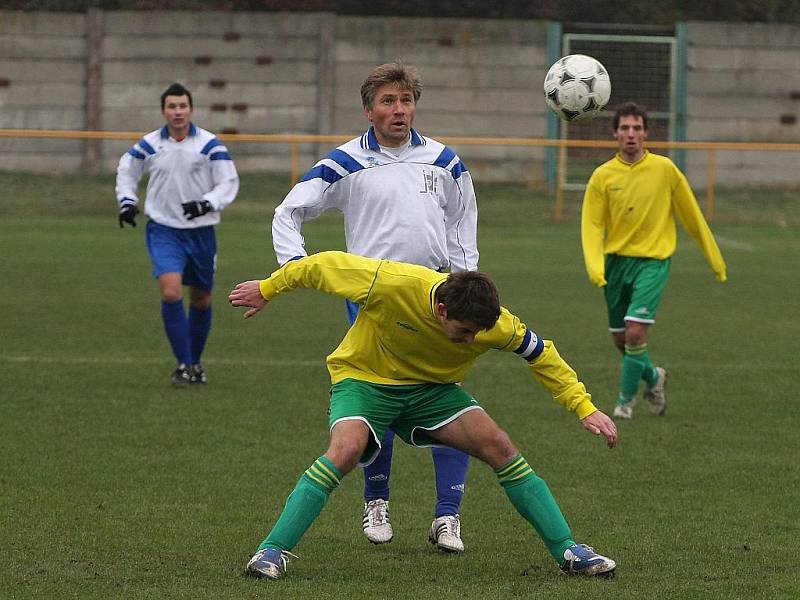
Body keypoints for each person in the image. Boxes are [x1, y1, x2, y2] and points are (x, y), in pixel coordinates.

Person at [229, 250, 619, 581]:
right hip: (365, 380)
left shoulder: (497, 325)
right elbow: (320, 266)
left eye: (477, 334)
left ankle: (568, 551)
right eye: (464, 331)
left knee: (499, 445)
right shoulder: (392, 283)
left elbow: (542, 356)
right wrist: (267, 288)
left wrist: (584, 407)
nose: (472, 341)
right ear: (441, 309)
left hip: (432, 392)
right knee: (345, 451)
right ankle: (271, 551)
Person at [271, 62, 478, 552]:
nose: (398, 110)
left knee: (447, 398)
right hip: (372, 300)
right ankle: (376, 501)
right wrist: (294, 267)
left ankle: (447, 516)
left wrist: (465, 283)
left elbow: (462, 223)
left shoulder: (445, 161)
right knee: (377, 400)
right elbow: (290, 211)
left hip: (437, 300)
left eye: (405, 101)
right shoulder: (344, 163)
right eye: (387, 101)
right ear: (369, 110)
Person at [581, 101, 727, 420]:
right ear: (614, 134)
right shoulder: (602, 176)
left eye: (637, 128)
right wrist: (594, 263)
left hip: (653, 261)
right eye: (624, 128)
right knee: (622, 340)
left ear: (646, 133)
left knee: (635, 334)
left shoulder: (665, 170)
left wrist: (714, 258)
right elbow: (592, 224)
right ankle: (653, 376)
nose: (631, 134)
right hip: (616, 264)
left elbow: (692, 216)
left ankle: (624, 402)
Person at [115, 82, 239, 385]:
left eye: (182, 106)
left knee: (201, 299)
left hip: (201, 232)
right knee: (171, 291)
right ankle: (183, 365)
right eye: (172, 106)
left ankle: (195, 364)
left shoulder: (210, 145)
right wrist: (127, 201)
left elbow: (228, 182)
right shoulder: (149, 144)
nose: (178, 112)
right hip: (163, 230)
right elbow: (127, 169)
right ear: (163, 111)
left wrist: (206, 203)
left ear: (191, 109)